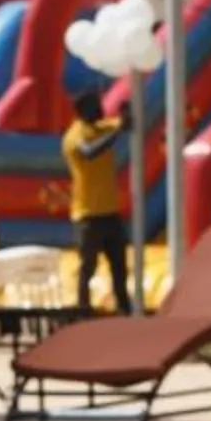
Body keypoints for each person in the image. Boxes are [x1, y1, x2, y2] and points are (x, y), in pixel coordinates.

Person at [62, 87, 132, 315]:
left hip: (110, 212)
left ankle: (124, 308)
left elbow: (126, 126)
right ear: (84, 111)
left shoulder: (102, 127)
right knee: (88, 266)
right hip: (88, 214)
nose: (102, 109)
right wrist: (118, 130)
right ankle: (84, 309)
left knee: (119, 266)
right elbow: (90, 152)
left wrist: (127, 114)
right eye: (96, 106)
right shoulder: (75, 135)